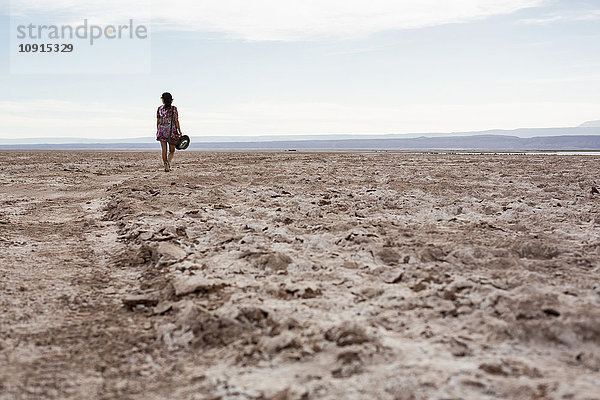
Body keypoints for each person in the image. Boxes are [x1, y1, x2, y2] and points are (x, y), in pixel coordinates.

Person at [156, 92, 182, 172]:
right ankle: (168, 163)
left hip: (161, 131)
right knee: (172, 150)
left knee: (164, 150)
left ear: (163, 100)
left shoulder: (159, 108)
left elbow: (158, 120)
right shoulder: (174, 109)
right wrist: (180, 131)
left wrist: (158, 129)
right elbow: (176, 120)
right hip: (171, 132)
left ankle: (165, 164)